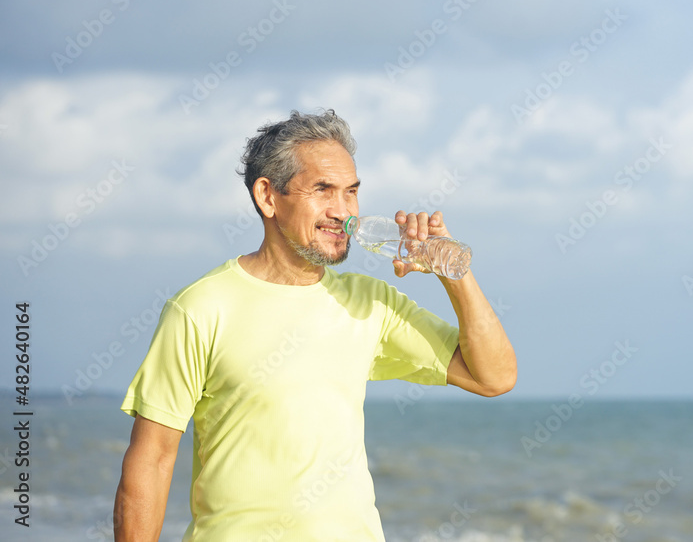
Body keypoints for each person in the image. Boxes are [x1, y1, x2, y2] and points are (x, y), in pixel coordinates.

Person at [113, 109, 516, 541]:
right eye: (323, 190)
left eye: (351, 192)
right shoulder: (200, 308)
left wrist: (450, 268)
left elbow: (493, 376)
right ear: (267, 196)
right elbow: (152, 460)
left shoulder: (371, 303)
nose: (342, 212)